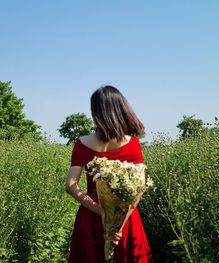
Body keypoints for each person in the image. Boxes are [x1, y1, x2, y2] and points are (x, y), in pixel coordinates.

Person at [66, 85, 153, 263]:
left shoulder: (82, 143)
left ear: (97, 113)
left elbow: (71, 185)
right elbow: (139, 188)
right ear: (121, 110)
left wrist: (101, 212)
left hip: (91, 216)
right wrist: (118, 223)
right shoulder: (133, 143)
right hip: (125, 218)